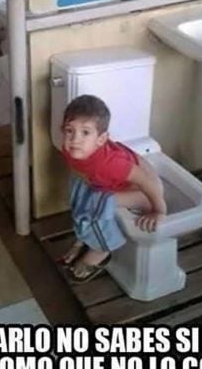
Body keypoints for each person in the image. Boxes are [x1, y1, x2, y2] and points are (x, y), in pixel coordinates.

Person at [59, 94, 167, 283]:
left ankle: (102, 249)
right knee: (79, 192)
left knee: (95, 204)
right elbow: (82, 176)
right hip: (115, 180)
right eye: (70, 131)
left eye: (85, 132)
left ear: (101, 139)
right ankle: (85, 237)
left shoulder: (109, 164)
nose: (75, 139)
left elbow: (146, 181)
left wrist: (159, 210)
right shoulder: (71, 150)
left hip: (140, 189)